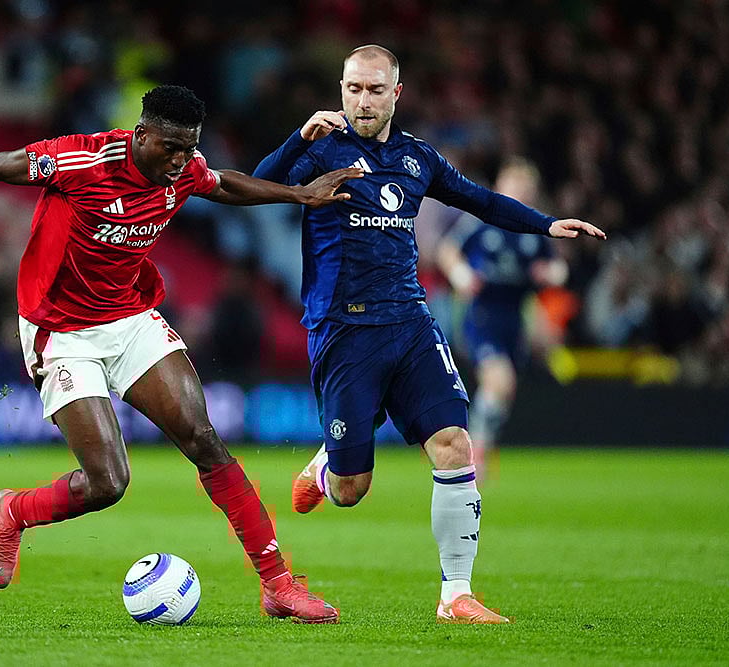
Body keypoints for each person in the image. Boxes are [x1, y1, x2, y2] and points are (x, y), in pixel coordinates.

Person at [0, 85, 362, 624]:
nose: (181, 163)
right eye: (172, 148)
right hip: (60, 330)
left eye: (189, 149)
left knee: (204, 439)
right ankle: (12, 510)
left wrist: (300, 195)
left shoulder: (184, 170)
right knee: (108, 483)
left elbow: (223, 184)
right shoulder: (83, 157)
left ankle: (278, 585)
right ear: (141, 135)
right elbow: (3, 163)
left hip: (129, 318)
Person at [252, 45, 605, 624]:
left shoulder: (417, 158)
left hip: (411, 321)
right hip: (344, 330)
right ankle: (326, 467)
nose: (361, 101)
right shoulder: (320, 150)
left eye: (373, 90)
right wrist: (296, 140)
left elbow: (481, 200)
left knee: (454, 445)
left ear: (396, 93)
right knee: (351, 489)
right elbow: (252, 188)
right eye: (352, 89)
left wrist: (545, 224)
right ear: (341, 91)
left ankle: (455, 595)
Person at [437, 157, 570, 482]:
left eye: (526, 191)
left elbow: (558, 267)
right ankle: (473, 452)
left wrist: (551, 274)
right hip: (482, 316)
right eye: (514, 188)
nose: (519, 197)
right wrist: (461, 275)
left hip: (515, 320)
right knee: (500, 381)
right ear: (499, 188)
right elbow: (447, 249)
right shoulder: (481, 222)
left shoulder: (533, 229)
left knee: (502, 392)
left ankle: (476, 444)